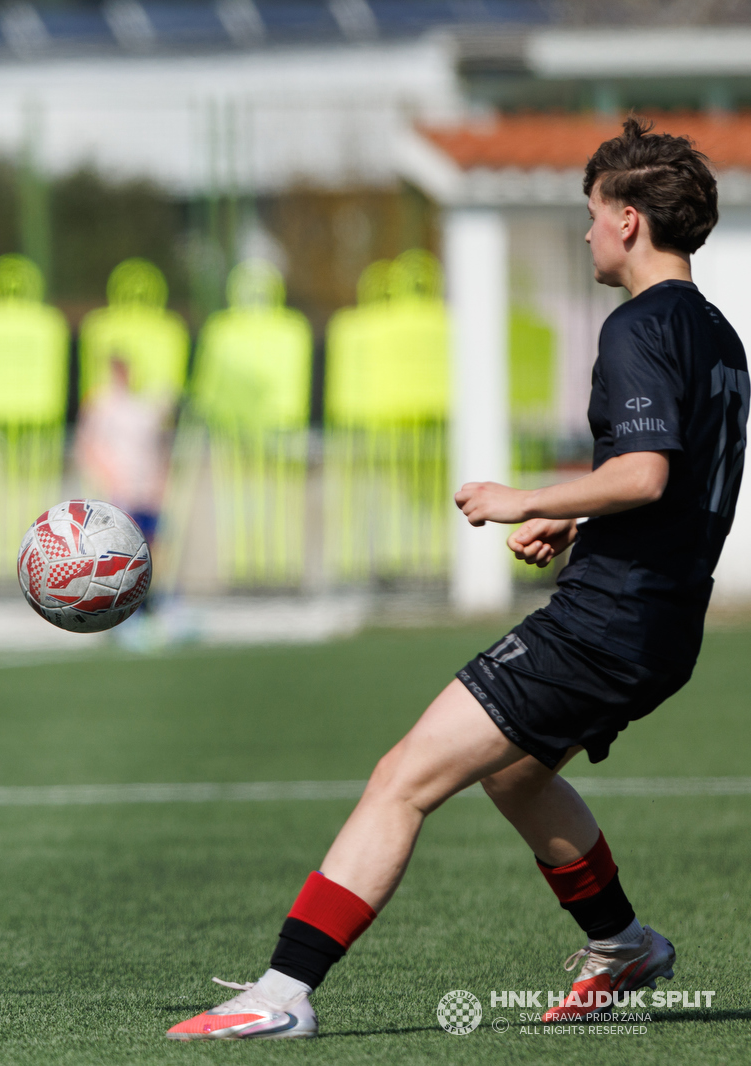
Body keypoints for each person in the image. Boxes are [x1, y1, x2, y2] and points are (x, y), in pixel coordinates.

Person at [168, 117, 746, 1040]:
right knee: (516, 775)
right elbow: (671, 477)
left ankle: (282, 994)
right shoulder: (717, 334)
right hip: (665, 627)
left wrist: (526, 498)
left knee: (402, 778)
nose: (588, 231)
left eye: (593, 213)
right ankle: (624, 946)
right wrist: (575, 512)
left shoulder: (638, 326)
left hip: (603, 622)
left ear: (630, 220)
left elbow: (646, 473)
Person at [74, 354, 172, 544]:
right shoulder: (101, 402)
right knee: (116, 545)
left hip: (147, 491)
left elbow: (159, 447)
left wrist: (160, 483)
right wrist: (108, 480)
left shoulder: (145, 404)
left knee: (148, 545)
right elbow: (87, 446)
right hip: (118, 491)